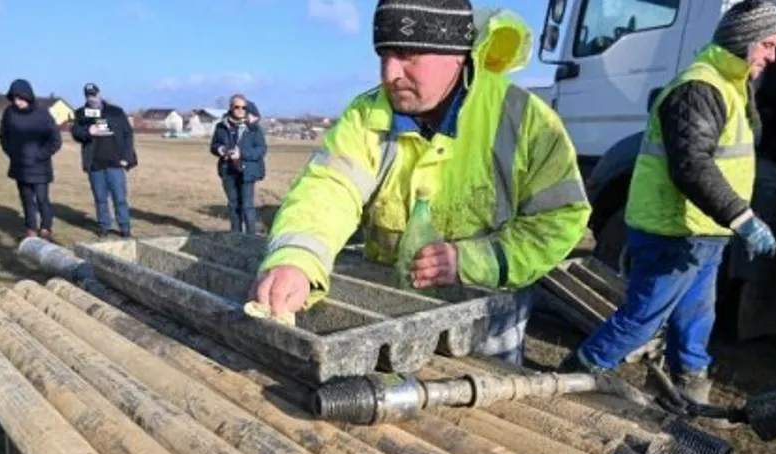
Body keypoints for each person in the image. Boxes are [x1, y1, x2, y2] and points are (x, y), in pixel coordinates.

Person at [249, 2, 590, 365]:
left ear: (457, 54)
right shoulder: (366, 116)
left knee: (485, 407)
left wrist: (473, 260)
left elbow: (560, 217)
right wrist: (298, 261)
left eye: (408, 55)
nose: (390, 73)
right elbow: (329, 188)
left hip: (489, 317)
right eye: (383, 55)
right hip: (394, 310)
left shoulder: (524, 120)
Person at [560, 0, 776, 407]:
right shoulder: (699, 87)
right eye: (767, 45)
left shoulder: (730, 86)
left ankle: (687, 391)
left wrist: (732, 222)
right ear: (741, 41)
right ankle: (572, 378)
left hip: (704, 232)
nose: (773, 56)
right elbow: (691, 166)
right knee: (642, 319)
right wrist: (744, 218)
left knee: (695, 320)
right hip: (674, 230)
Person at [0, 79, 63, 240]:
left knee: (42, 199)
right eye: (14, 98)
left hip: (40, 166)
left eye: (20, 98)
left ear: (28, 96)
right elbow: (3, 136)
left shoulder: (42, 114)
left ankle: (46, 228)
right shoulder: (9, 113)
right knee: (27, 200)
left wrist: (40, 155)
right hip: (20, 165)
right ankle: (31, 228)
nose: (17, 102)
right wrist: (12, 152)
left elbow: (55, 140)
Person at [71, 83, 138, 238]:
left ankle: (125, 228)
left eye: (94, 95)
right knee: (100, 199)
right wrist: (88, 131)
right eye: (88, 96)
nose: (92, 98)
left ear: (99, 94)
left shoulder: (116, 112)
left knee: (120, 198)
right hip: (95, 164)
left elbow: (128, 134)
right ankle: (104, 227)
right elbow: (76, 132)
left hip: (115, 163)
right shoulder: (82, 113)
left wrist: (127, 158)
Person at [211, 93, 266, 235]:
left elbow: (261, 150)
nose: (240, 110)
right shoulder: (221, 126)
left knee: (247, 206)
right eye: (237, 107)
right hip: (228, 170)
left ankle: (251, 239)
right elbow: (214, 145)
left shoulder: (254, 128)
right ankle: (236, 237)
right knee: (233, 205)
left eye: (243, 107)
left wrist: (241, 154)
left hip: (247, 171)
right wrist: (220, 149)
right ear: (231, 107)